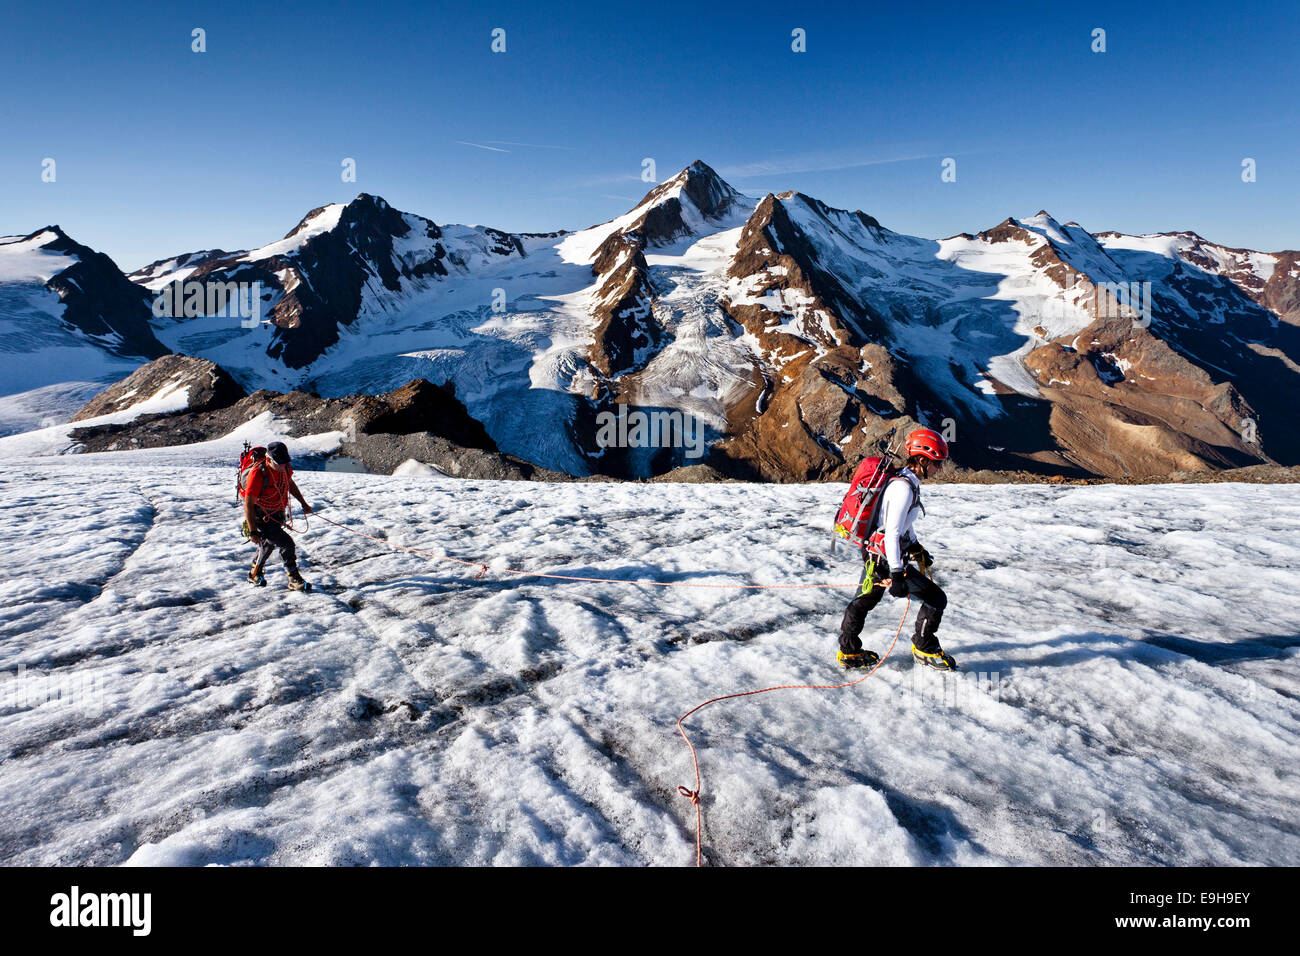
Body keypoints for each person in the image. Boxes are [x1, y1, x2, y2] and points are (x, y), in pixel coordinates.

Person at [836, 427, 956, 671]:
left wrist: (915, 546)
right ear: (922, 460)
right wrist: (897, 573)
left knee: (863, 600)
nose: (940, 468)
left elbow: (902, 526)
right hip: (883, 558)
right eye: (937, 463)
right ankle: (924, 647)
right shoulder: (903, 488)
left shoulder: (906, 482)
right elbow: (891, 532)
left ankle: (848, 651)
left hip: (876, 553)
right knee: (936, 599)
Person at [243, 441, 313, 590]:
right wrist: (253, 531)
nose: (282, 467)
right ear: (268, 459)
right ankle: (294, 578)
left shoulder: (284, 467)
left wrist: (303, 503)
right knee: (286, 543)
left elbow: (289, 483)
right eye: (278, 463)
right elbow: (248, 504)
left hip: (277, 512)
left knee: (268, 544)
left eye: (284, 463)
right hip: (262, 515)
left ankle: (254, 573)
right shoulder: (258, 474)